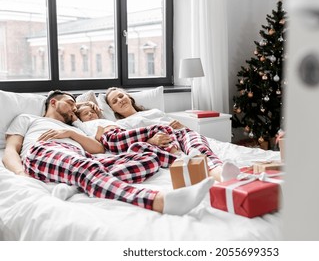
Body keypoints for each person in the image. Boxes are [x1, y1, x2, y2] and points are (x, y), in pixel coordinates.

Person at [2, 90, 214, 215]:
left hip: (80, 157)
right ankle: (159, 200)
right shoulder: (29, 119)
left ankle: (77, 184)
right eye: (70, 102)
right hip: (45, 150)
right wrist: (21, 174)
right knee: (85, 168)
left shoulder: (76, 128)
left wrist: (70, 132)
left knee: (147, 155)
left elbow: (99, 149)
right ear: (54, 102)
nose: (74, 107)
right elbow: (11, 150)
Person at [104, 87, 241, 182]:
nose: (120, 100)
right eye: (114, 101)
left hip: (181, 134)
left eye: (120, 96)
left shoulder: (154, 112)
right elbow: (130, 144)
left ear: (128, 96)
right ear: (112, 109)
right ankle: (214, 173)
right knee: (171, 144)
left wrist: (182, 126)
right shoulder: (123, 125)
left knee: (199, 148)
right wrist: (150, 141)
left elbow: (183, 129)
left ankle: (220, 171)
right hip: (164, 142)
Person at [73, 101, 182, 155]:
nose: (90, 114)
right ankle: (176, 153)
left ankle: (172, 155)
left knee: (161, 135)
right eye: (85, 114)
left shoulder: (107, 121)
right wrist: (86, 103)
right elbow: (71, 113)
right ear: (80, 118)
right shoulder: (83, 125)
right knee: (161, 128)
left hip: (120, 136)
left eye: (92, 111)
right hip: (112, 138)